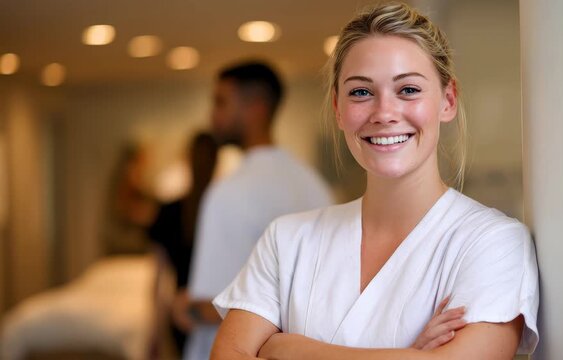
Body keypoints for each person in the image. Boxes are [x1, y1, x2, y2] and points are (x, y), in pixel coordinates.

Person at [211, 3, 539, 360]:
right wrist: (410, 354)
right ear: (337, 107)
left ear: (447, 100)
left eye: (409, 90)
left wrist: (288, 348)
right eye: (361, 92)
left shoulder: (491, 242)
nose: (384, 113)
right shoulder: (287, 241)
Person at [183, 61, 334, 360]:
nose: (212, 115)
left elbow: (214, 308)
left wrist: (182, 307)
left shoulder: (228, 193)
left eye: (221, 102)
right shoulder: (315, 185)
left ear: (256, 107)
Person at [147, 132, 218, 354]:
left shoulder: (169, 212)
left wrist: (155, 330)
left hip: (180, 313)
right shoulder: (224, 211)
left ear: (187, 160)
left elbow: (158, 281)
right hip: (216, 313)